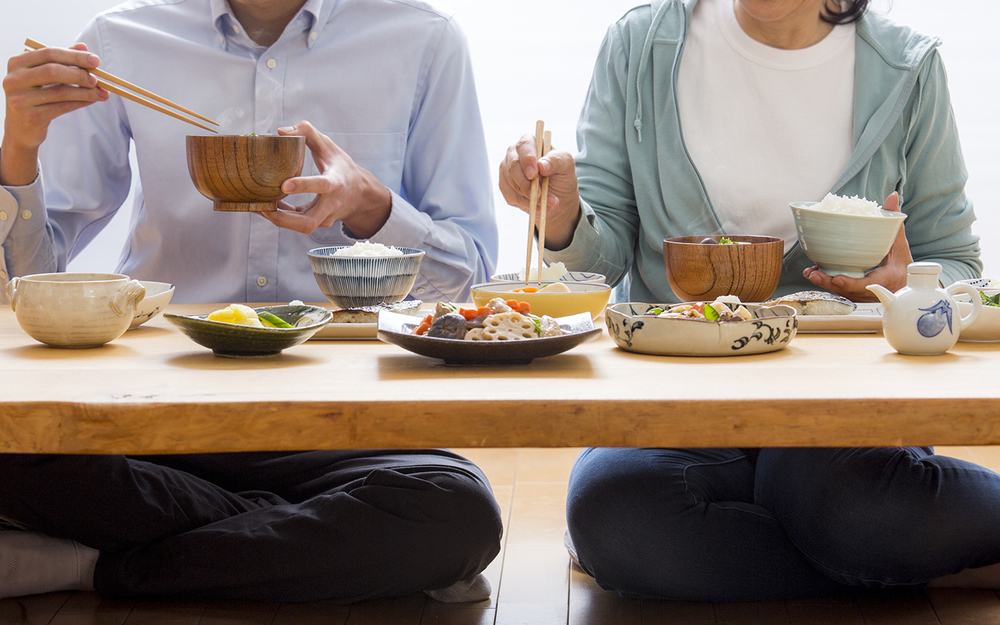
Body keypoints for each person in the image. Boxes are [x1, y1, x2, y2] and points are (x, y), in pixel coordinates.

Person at [0, 0, 502, 604]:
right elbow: (26, 286)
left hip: (345, 420)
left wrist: (374, 206)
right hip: (154, 413)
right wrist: (20, 147)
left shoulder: (424, 39)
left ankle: (94, 567)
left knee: (459, 512)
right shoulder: (120, 39)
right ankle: (304, 540)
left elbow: (470, 276)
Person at [499, 0, 1000, 603]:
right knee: (618, 513)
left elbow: (957, 265)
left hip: (841, 410)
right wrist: (562, 217)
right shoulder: (641, 45)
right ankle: (906, 561)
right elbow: (601, 264)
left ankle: (850, 543)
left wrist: (904, 285)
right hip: (676, 394)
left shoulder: (907, 66)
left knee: (848, 504)